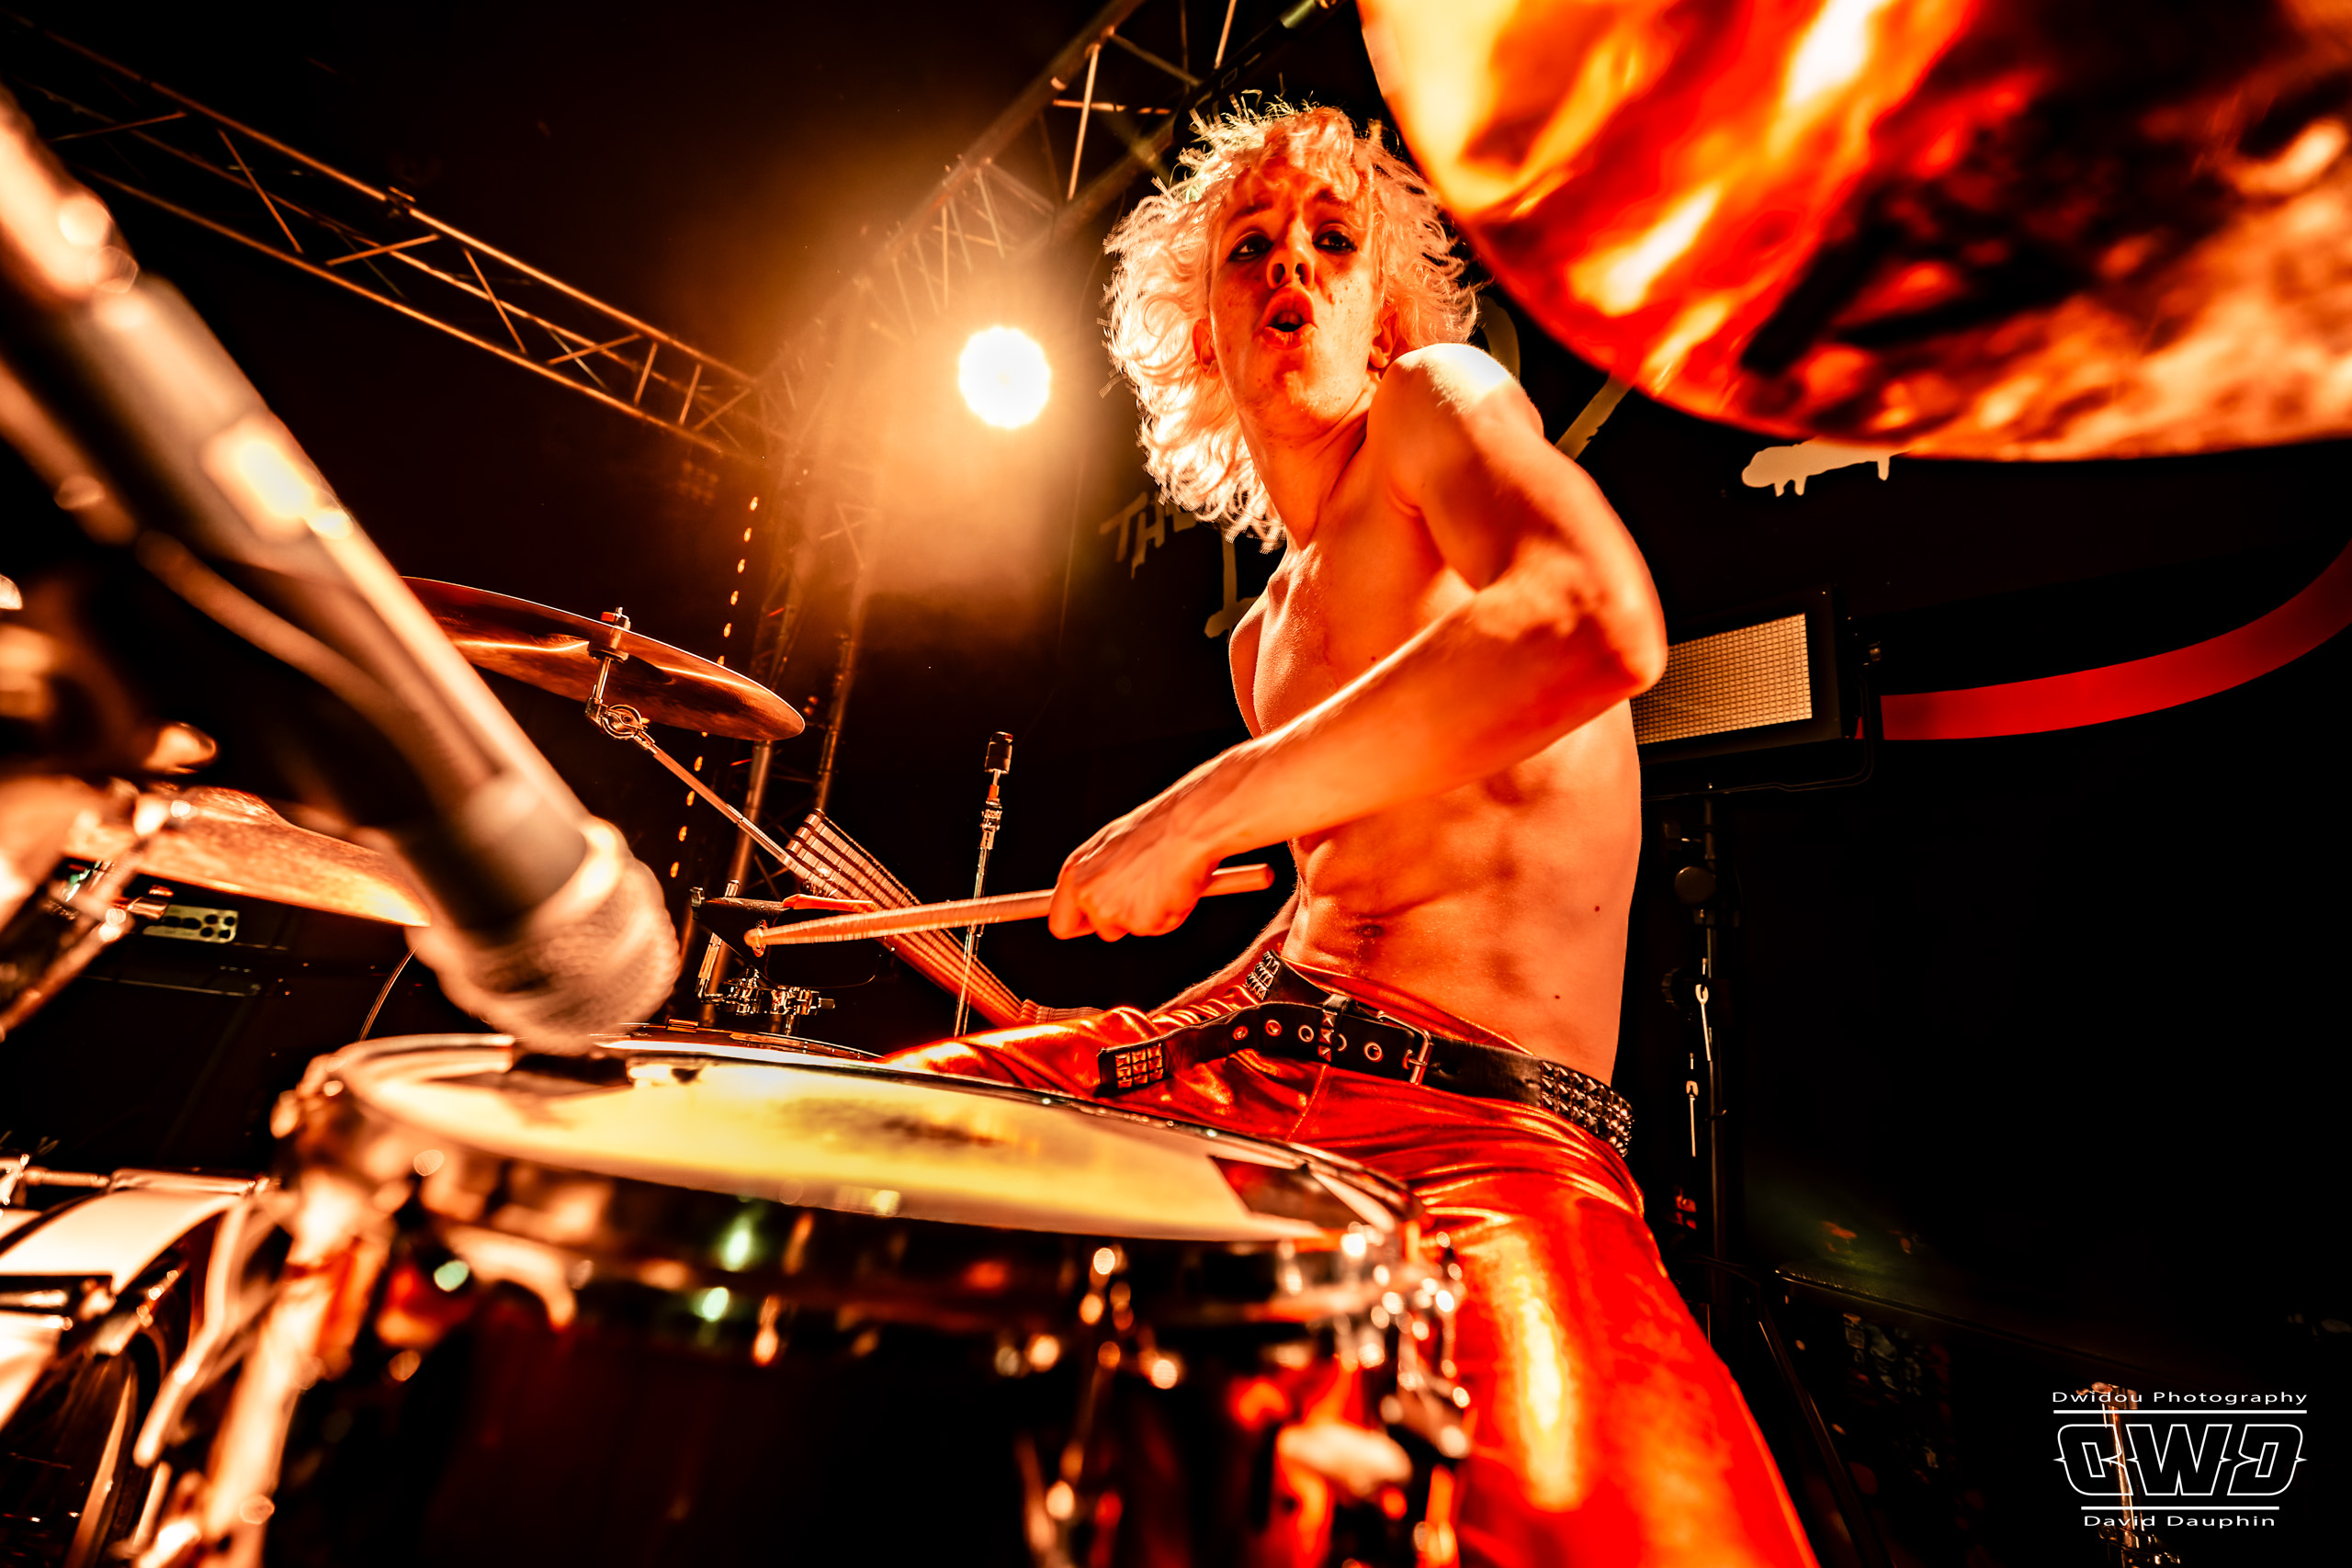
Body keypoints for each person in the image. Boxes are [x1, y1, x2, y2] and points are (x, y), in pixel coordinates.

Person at [891, 106, 1816, 1567]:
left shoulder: (1436, 406)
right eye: (1249, 249)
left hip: (1492, 1132)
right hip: (1259, 1070)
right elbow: (1333, 909)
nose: (1292, 270)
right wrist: (1155, 1023)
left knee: (1617, 1531)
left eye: (1333, 241)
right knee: (870, 1129)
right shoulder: (1260, 639)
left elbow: (1594, 620)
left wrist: (1197, 809)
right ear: (1202, 335)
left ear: (1384, 311)